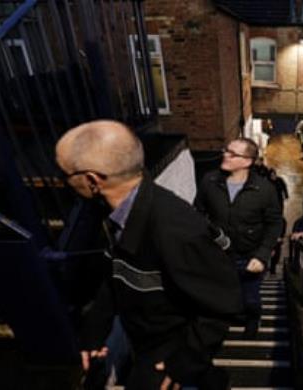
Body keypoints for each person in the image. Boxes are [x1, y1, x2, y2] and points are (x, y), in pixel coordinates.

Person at [55, 120, 242, 390]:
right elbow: (114, 275)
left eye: (65, 176)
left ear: (92, 180)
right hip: (144, 340)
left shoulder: (177, 230)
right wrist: (94, 333)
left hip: (168, 355)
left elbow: (224, 304)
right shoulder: (114, 212)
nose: (64, 183)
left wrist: (186, 362)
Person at [195, 138, 283, 339]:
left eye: (232, 153)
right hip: (218, 255)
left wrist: (262, 256)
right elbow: (198, 213)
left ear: (248, 161)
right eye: (226, 150)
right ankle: (227, 320)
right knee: (222, 293)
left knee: (250, 297)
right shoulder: (209, 181)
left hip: (249, 255)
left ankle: (253, 319)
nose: (225, 155)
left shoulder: (265, 189)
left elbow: (275, 224)